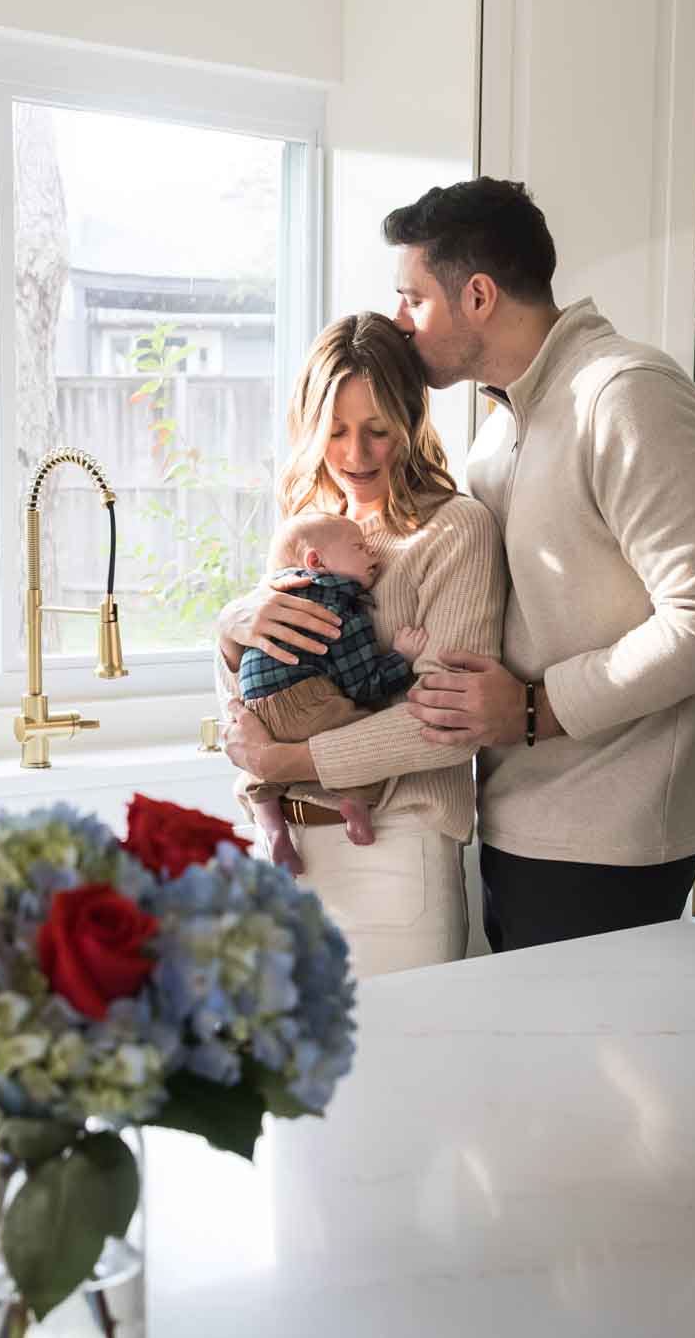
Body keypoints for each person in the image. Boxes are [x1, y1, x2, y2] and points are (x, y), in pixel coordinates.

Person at [383, 175, 695, 952]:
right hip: (519, 818)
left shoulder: (624, 396)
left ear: (480, 296)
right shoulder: (504, 424)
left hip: (609, 836)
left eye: (413, 298)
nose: (400, 321)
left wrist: (537, 708)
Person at [217, 312, 507, 980]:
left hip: (392, 852)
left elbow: (450, 724)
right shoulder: (305, 532)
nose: (356, 454)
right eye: (336, 432)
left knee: (399, 1073)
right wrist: (229, 630)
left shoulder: (453, 529)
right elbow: (252, 699)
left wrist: (287, 755)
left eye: (377, 429)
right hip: (285, 847)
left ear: (411, 418)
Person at [238, 509, 429, 872]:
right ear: (316, 561)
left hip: (254, 706)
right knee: (361, 738)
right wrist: (401, 658)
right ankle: (355, 802)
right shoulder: (340, 605)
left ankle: (274, 831)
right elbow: (362, 684)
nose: (373, 555)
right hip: (304, 698)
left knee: (256, 773)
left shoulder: (267, 597)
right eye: (360, 547)